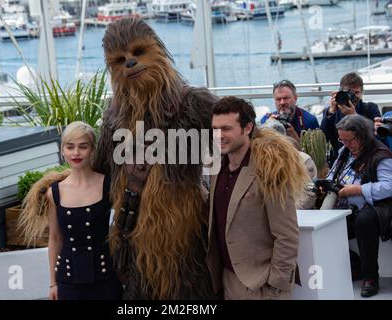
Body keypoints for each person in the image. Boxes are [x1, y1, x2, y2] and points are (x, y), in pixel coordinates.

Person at [93, 18, 216, 299]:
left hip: (185, 241)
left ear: (158, 51)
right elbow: (97, 168)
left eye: (138, 53)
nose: (130, 64)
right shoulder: (113, 116)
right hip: (134, 239)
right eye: (120, 60)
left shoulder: (192, 103)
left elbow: (243, 135)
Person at [207, 96, 310, 300]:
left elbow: (287, 235)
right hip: (227, 281)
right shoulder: (216, 168)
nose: (218, 135)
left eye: (226, 128)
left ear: (247, 128)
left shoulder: (269, 169)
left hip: (262, 286)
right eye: (215, 129)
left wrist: (276, 286)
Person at [20, 121, 121, 300]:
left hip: (106, 278)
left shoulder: (109, 185)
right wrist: (53, 283)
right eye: (70, 147)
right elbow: (55, 238)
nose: (76, 153)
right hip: (68, 281)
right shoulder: (55, 193)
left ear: (92, 149)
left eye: (83, 146)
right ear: (63, 150)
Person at [326, 115, 392, 298]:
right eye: (342, 139)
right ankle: (353, 265)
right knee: (323, 224)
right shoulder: (344, 151)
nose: (346, 144)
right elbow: (333, 176)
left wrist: (359, 190)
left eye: (350, 139)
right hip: (347, 206)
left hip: (376, 207)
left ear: (363, 136)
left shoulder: (380, 154)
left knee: (365, 221)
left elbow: (389, 186)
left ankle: (371, 278)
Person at [320, 72, 381, 165]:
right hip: (340, 160)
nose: (352, 96)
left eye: (356, 93)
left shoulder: (370, 108)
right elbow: (323, 139)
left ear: (362, 93)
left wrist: (354, 115)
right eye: (348, 93)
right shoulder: (331, 112)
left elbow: (376, 139)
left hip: (366, 158)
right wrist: (331, 112)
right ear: (340, 92)